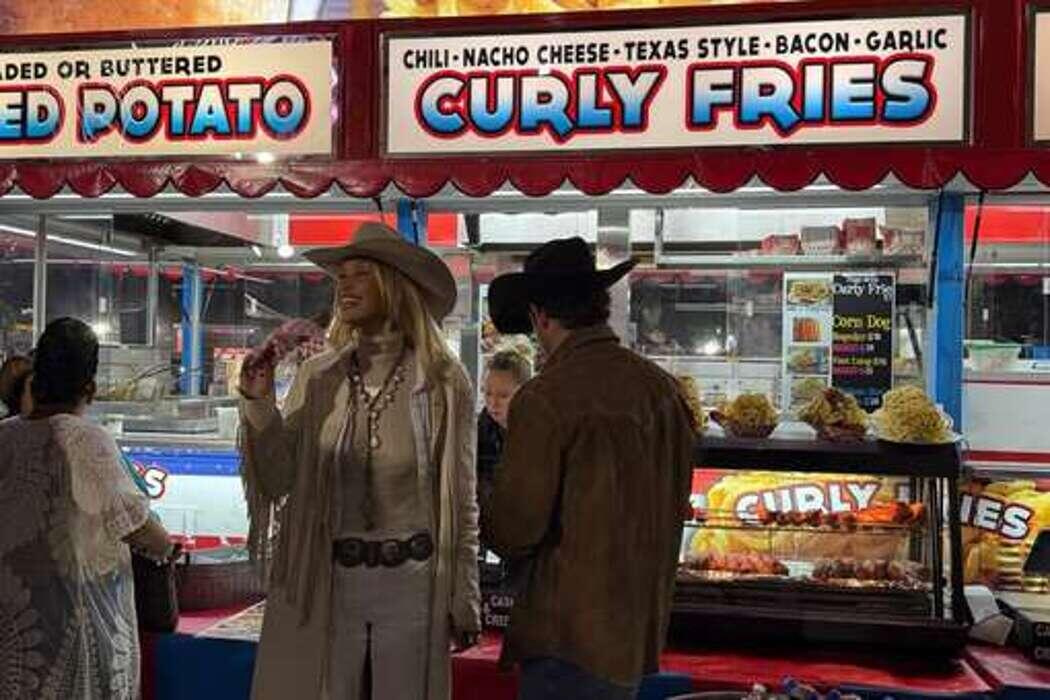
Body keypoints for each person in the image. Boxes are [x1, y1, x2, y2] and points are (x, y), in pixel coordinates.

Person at [238, 222, 481, 700]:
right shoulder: (318, 377)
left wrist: (464, 592)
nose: (345, 285)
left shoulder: (442, 381)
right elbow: (278, 478)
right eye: (341, 276)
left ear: (394, 284)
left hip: (413, 588)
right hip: (332, 586)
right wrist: (259, 403)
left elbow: (462, 498)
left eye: (361, 273)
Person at [482, 237, 696, 700]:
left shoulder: (545, 398)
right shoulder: (664, 391)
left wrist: (481, 498)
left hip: (567, 639)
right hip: (634, 635)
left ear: (541, 316)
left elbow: (514, 529)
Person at [0, 318, 173, 699]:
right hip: (73, 640)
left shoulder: (5, 437)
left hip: (13, 642)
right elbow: (145, 532)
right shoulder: (88, 440)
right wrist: (167, 547)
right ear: (90, 388)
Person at [477, 349, 532, 507]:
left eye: (503, 396)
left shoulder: (538, 431)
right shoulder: (483, 425)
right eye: (488, 394)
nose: (493, 403)